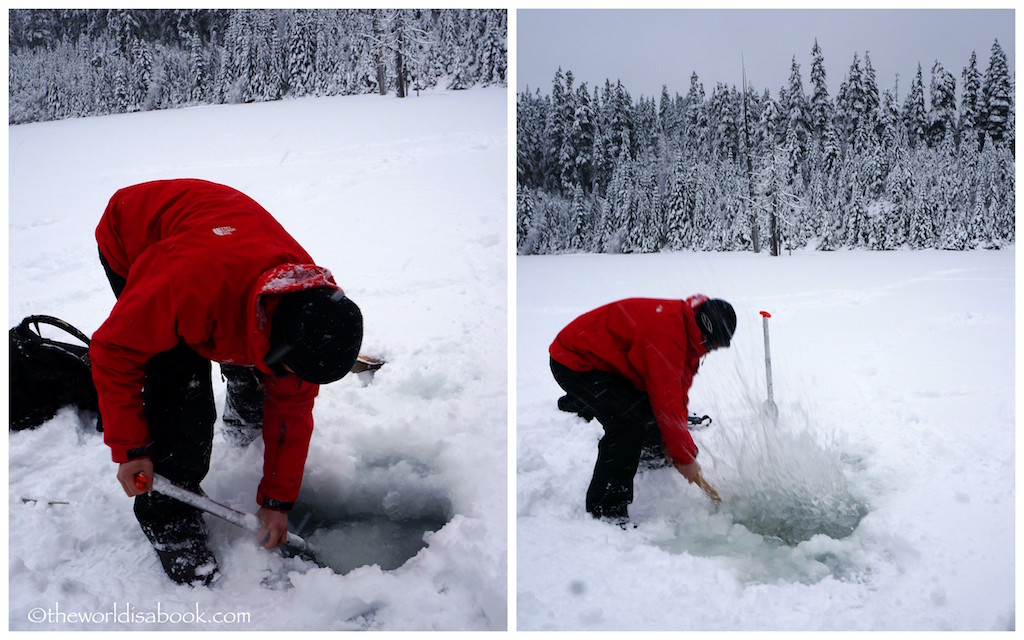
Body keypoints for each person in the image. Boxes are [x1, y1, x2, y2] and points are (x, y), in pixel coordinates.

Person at [90, 178, 364, 586]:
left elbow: (292, 406)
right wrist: (130, 448)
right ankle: (170, 522)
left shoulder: (310, 313)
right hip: (134, 233)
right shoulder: (182, 286)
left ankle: (243, 411)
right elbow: (113, 352)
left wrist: (277, 501)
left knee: (265, 377)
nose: (295, 383)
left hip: (225, 250)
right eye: (287, 371)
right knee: (181, 392)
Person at [548, 295, 736, 525]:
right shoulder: (667, 336)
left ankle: (651, 453)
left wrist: (679, 448)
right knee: (626, 425)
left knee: (645, 408)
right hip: (575, 361)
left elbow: (676, 391)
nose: (711, 351)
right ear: (705, 331)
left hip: (612, 363)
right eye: (713, 345)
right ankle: (606, 510)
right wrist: (684, 457)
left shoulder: (688, 330)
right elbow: (665, 402)